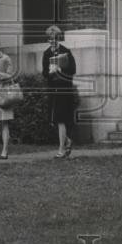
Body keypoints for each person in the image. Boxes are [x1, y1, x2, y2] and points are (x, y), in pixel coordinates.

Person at [42, 25, 77, 158]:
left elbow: (73, 70)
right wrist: (50, 72)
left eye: (55, 39)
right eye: (50, 39)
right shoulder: (46, 54)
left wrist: (61, 70)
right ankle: (67, 141)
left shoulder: (66, 51)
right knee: (55, 120)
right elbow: (44, 73)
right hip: (53, 90)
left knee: (61, 119)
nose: (52, 41)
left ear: (58, 38)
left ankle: (61, 150)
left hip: (64, 90)